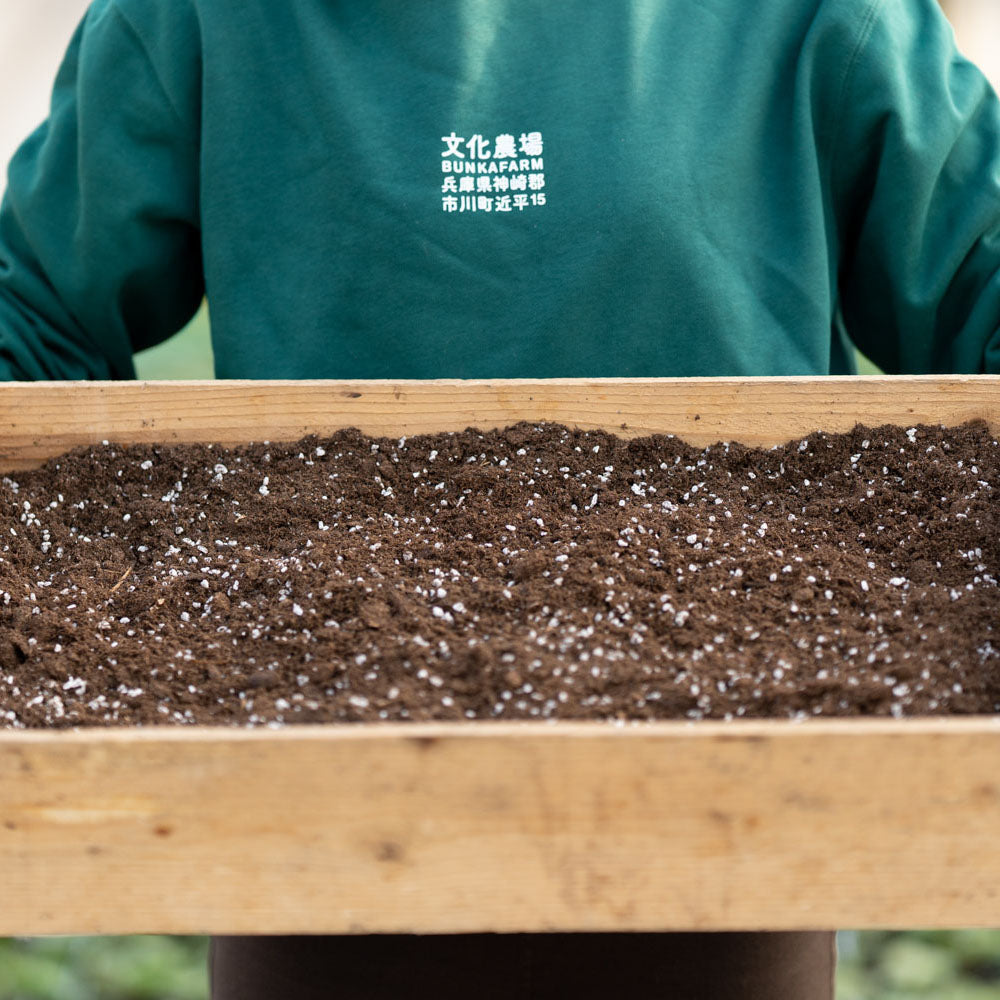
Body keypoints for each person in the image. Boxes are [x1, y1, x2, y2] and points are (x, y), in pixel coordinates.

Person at [2, 0, 998, 996]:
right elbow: (35, 308)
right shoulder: (209, 21)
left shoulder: (811, 20)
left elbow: (976, 277)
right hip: (317, 822)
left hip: (725, 830)